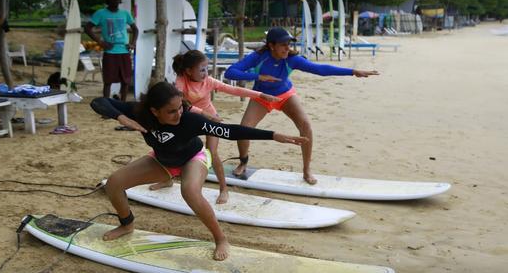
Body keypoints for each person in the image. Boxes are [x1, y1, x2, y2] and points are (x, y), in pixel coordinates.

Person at [90, 81, 307, 260]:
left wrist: (273, 135)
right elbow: (98, 102)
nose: (179, 114)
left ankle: (220, 238)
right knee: (114, 183)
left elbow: (229, 131)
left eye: (181, 107)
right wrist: (121, 117)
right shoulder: (139, 112)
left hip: (193, 158)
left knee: (190, 192)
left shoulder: (190, 119)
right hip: (161, 160)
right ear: (154, 111)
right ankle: (127, 225)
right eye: (171, 111)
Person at [224, 27, 379, 184]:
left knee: (306, 126)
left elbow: (320, 69)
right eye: (283, 44)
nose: (287, 48)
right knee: (244, 129)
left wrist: (353, 71)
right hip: (262, 97)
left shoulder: (292, 59)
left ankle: (306, 170)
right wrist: (258, 76)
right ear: (271, 45)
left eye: (289, 44)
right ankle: (243, 161)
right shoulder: (258, 57)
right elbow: (230, 72)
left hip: (285, 95)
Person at [149, 49, 280, 204]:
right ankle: (168, 179)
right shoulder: (180, 82)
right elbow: (183, 104)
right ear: (188, 71)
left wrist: (259, 94)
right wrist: (202, 113)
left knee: (212, 152)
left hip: (210, 118)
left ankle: (223, 188)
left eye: (207, 69)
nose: (206, 73)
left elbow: (233, 89)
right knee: (170, 147)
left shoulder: (209, 81)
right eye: (202, 70)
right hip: (188, 120)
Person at [85, 0, 138, 102]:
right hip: (110, 52)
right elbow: (87, 28)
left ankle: (122, 104)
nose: (116, 2)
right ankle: (106, 106)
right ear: (108, 0)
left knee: (126, 80)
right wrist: (100, 42)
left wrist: (133, 44)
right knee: (108, 81)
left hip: (124, 51)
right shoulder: (101, 13)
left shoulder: (125, 14)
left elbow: (135, 29)